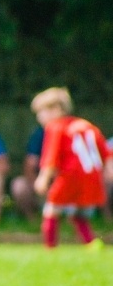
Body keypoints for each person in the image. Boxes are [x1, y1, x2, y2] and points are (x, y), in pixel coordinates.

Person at [31, 87, 113, 249]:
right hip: (92, 176)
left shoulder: (55, 127)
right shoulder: (87, 125)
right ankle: (91, 244)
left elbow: (51, 156)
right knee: (79, 214)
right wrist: (109, 171)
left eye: (41, 113)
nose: (39, 118)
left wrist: (43, 178)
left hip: (70, 175)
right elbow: (106, 152)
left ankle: (50, 247)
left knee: (51, 210)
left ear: (56, 109)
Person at [10, 126, 44, 221]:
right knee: (19, 185)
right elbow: (29, 165)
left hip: (63, 183)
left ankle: (71, 220)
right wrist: (38, 185)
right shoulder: (39, 134)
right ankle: (32, 219)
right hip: (40, 183)